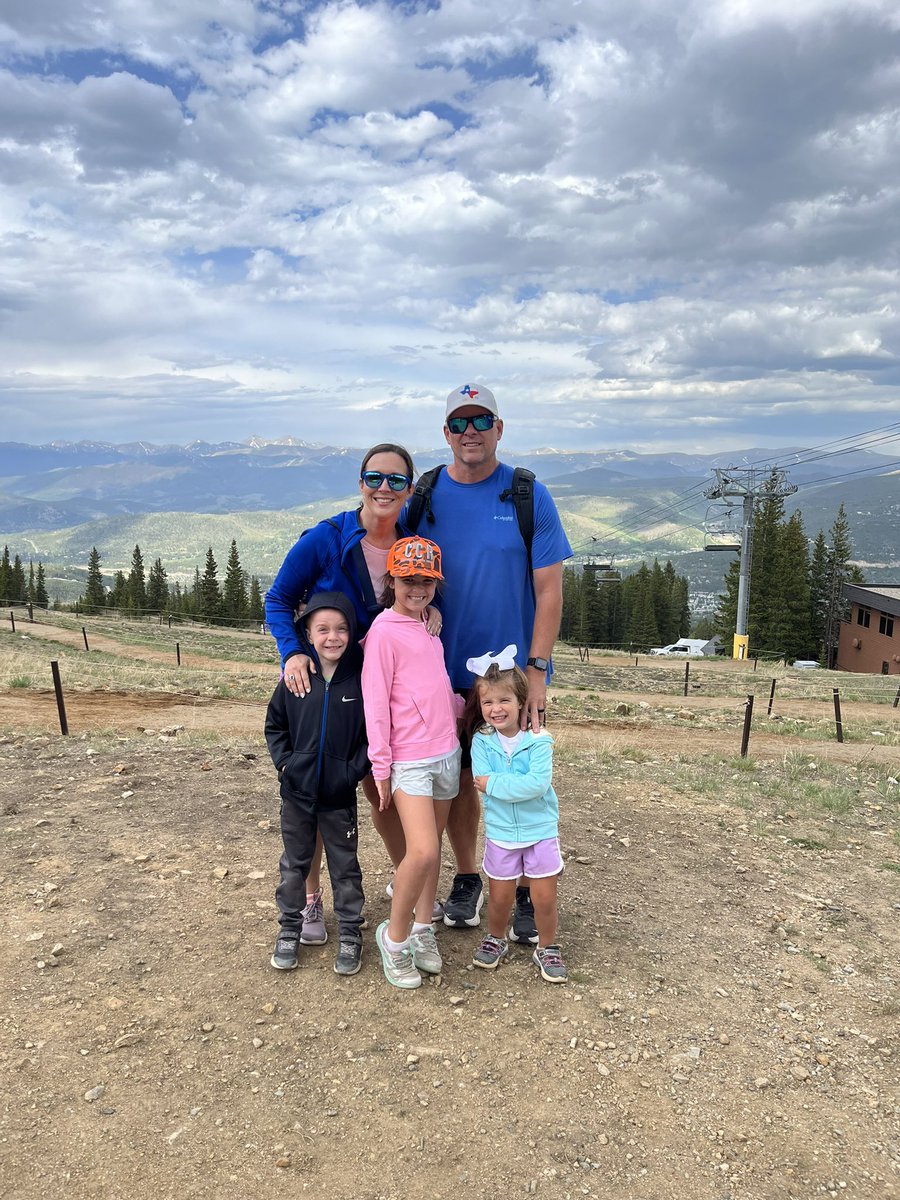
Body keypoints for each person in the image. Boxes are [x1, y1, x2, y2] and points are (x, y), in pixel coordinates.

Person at [404, 384, 572, 936]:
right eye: (459, 422)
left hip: (508, 682)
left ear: (500, 428)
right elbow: (399, 564)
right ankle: (471, 877)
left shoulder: (527, 495)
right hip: (441, 674)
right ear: (445, 433)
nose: (469, 431)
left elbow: (549, 592)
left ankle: (523, 886)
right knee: (455, 784)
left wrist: (538, 674)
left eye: (481, 420)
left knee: (516, 777)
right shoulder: (424, 496)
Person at [264, 443, 443, 934]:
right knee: (319, 786)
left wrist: (426, 611)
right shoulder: (326, 538)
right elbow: (278, 598)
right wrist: (292, 652)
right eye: (375, 477)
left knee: (382, 788)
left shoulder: (412, 542)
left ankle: (411, 880)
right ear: (360, 481)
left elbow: (412, 595)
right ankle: (310, 900)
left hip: (385, 692)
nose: (385, 488)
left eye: (397, 480)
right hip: (329, 680)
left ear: (410, 488)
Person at [361, 537, 464, 990]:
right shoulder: (383, 632)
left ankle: (424, 929)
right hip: (410, 759)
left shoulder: (429, 624)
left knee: (432, 850)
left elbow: (432, 687)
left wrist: (465, 709)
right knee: (420, 851)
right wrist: (380, 766)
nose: (418, 588)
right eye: (409, 580)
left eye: (427, 581)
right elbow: (376, 704)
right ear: (392, 581)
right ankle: (395, 938)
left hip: (446, 752)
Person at [265, 592, 370, 976]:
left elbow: (370, 737)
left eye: (342, 628)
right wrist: (286, 766)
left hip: (339, 797)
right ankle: (289, 930)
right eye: (322, 629)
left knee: (345, 867)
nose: (333, 637)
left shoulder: (360, 681)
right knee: (295, 863)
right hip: (296, 794)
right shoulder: (295, 679)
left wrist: (351, 771)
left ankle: (349, 933)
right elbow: (275, 725)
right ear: (307, 633)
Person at [464, 648, 567, 983]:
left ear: (522, 700)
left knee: (545, 898)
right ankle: (495, 938)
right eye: (488, 703)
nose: (496, 709)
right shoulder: (481, 742)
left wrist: (495, 783)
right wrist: (502, 784)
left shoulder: (538, 739)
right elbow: (481, 782)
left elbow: (537, 785)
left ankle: (548, 947)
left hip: (540, 831)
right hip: (502, 833)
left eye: (504, 700)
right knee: (500, 896)